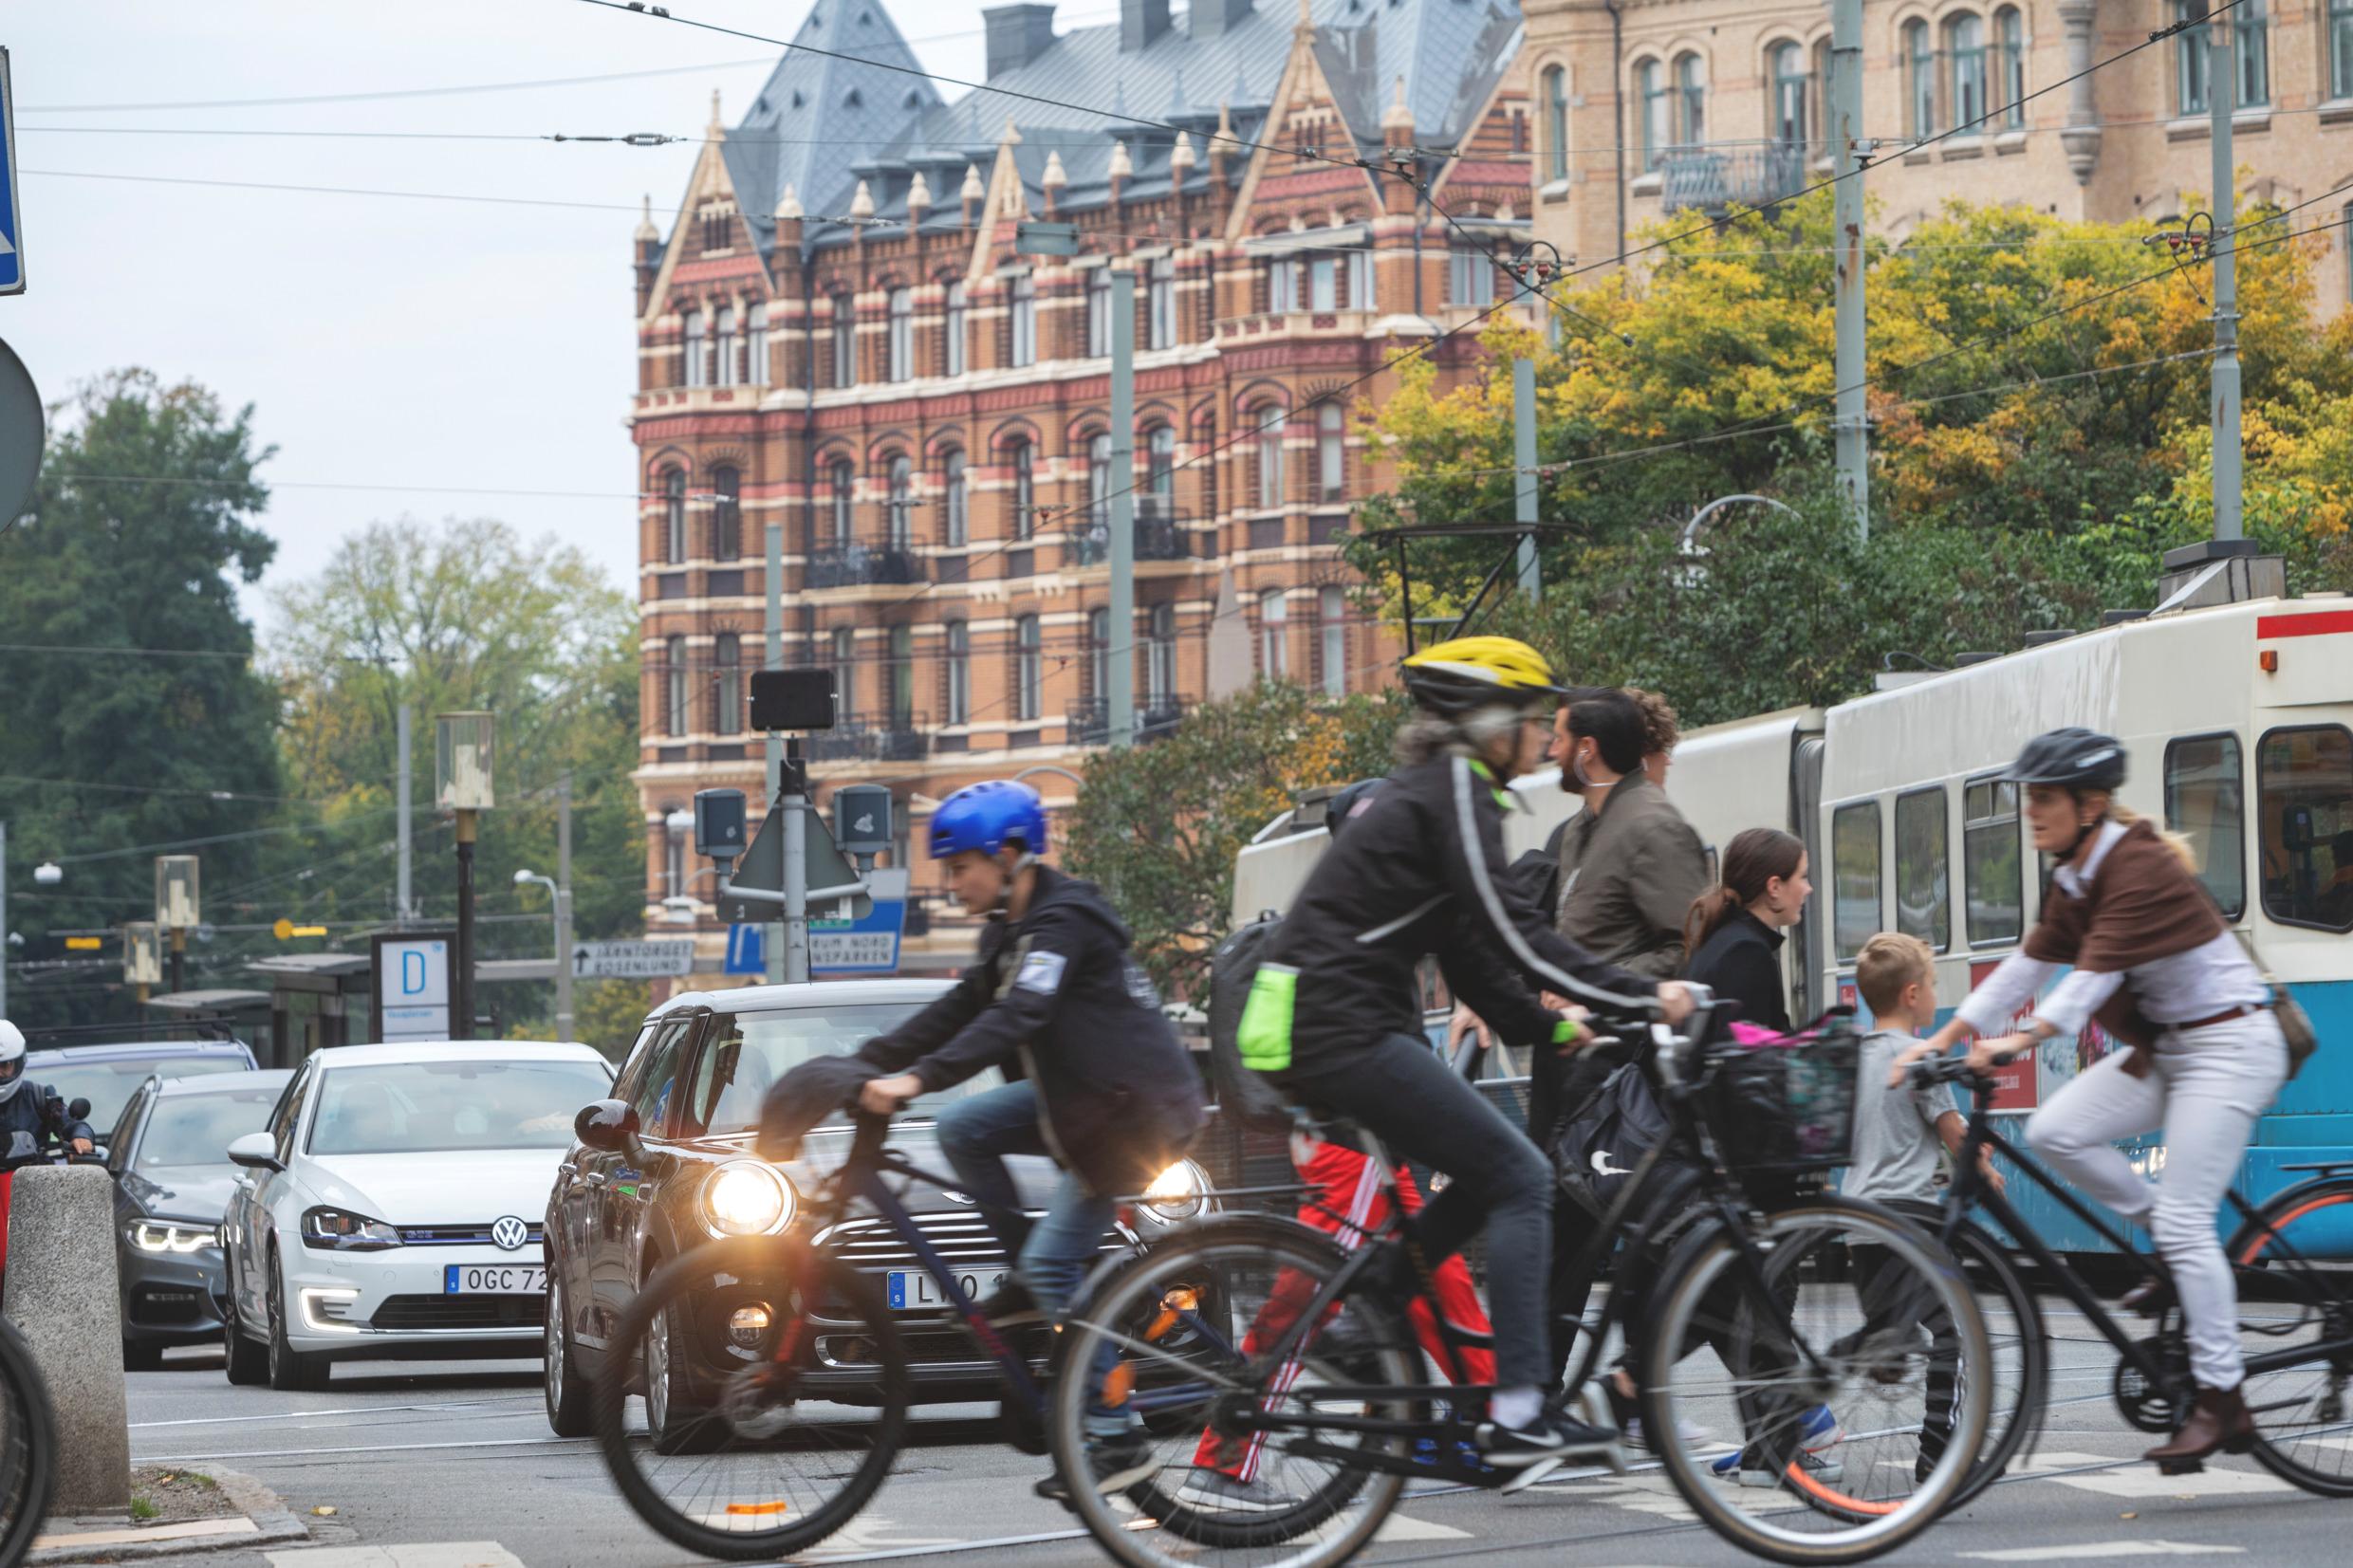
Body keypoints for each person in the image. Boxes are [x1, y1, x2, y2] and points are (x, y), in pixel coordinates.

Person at [1234, 636, 1694, 1467]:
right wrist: (1641, 992)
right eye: (1526, 717)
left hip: (1326, 1023)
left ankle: (1369, 1300)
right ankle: (1520, 1407)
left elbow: (1469, 954)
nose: (1536, 735)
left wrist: (1551, 1024)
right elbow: (1515, 932)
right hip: (1341, 1028)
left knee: (1492, 1174)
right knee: (1521, 1176)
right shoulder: (1454, 797)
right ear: (1485, 720)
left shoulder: (1435, 795)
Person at [1895, 729, 2288, 1471]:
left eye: (2043, 798)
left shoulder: (2136, 867)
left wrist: (2021, 1040)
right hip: (2170, 1049)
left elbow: (2090, 980)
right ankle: (2171, 1247)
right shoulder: (2075, 875)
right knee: (2056, 1129)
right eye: (2029, 796)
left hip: (2231, 1047)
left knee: (2182, 1213)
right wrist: (1944, 1034)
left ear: (2091, 802)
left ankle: (2222, 1397)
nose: (2030, 811)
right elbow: (2029, 962)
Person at [854, 780, 1208, 1498]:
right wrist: (872, 1061)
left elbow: (1019, 1015)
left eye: (960, 868)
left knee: (1054, 1269)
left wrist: (915, 1080)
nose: (951, 884)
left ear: (1010, 855)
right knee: (964, 1127)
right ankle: (1026, 1271)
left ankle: (1117, 1436)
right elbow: (960, 1008)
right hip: (1081, 1102)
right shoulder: (1007, 932)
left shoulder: (1063, 921)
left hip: (1129, 1117)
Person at [1181, 778, 1497, 1515]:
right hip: (1348, 1141)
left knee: (1439, 1276)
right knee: (1306, 1294)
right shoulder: (1357, 918)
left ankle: (1493, 1417)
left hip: (1366, 1141)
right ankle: (1226, 1456)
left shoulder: (1358, 910)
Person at [1836, 932, 1997, 1485]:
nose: (1934, 994)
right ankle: (1940, 1454)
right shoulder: (1920, 1059)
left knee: (1889, 1336)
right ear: (1911, 995)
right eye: (1931, 984)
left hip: (1859, 1226)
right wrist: (1987, 1170)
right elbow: (1954, 1133)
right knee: (1951, 1338)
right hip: (1909, 1222)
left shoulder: (1855, 1057)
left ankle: (1806, 1385)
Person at [1683, 828, 1811, 1034]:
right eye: (1803, 877)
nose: (1808, 888)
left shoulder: (1718, 936)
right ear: (1775, 887)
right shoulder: (1747, 952)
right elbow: (1750, 1056)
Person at [0, 1021, 96, 1162]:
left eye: (4, 1065)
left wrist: (81, 1137)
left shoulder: (39, 1096)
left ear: (19, 1062)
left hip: (35, 1180)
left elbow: (72, 1123)